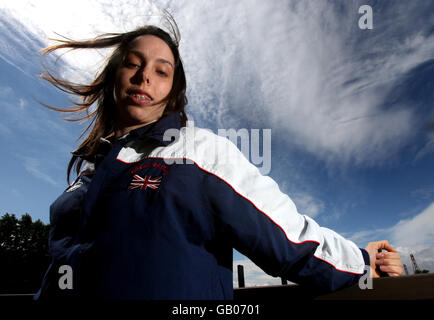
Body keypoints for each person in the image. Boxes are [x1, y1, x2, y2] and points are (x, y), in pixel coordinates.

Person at [33, 13, 403, 301]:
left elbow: (289, 241)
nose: (145, 76)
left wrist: (363, 260)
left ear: (172, 91)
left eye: (162, 71)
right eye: (133, 63)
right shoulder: (85, 175)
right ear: (115, 74)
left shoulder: (197, 152)